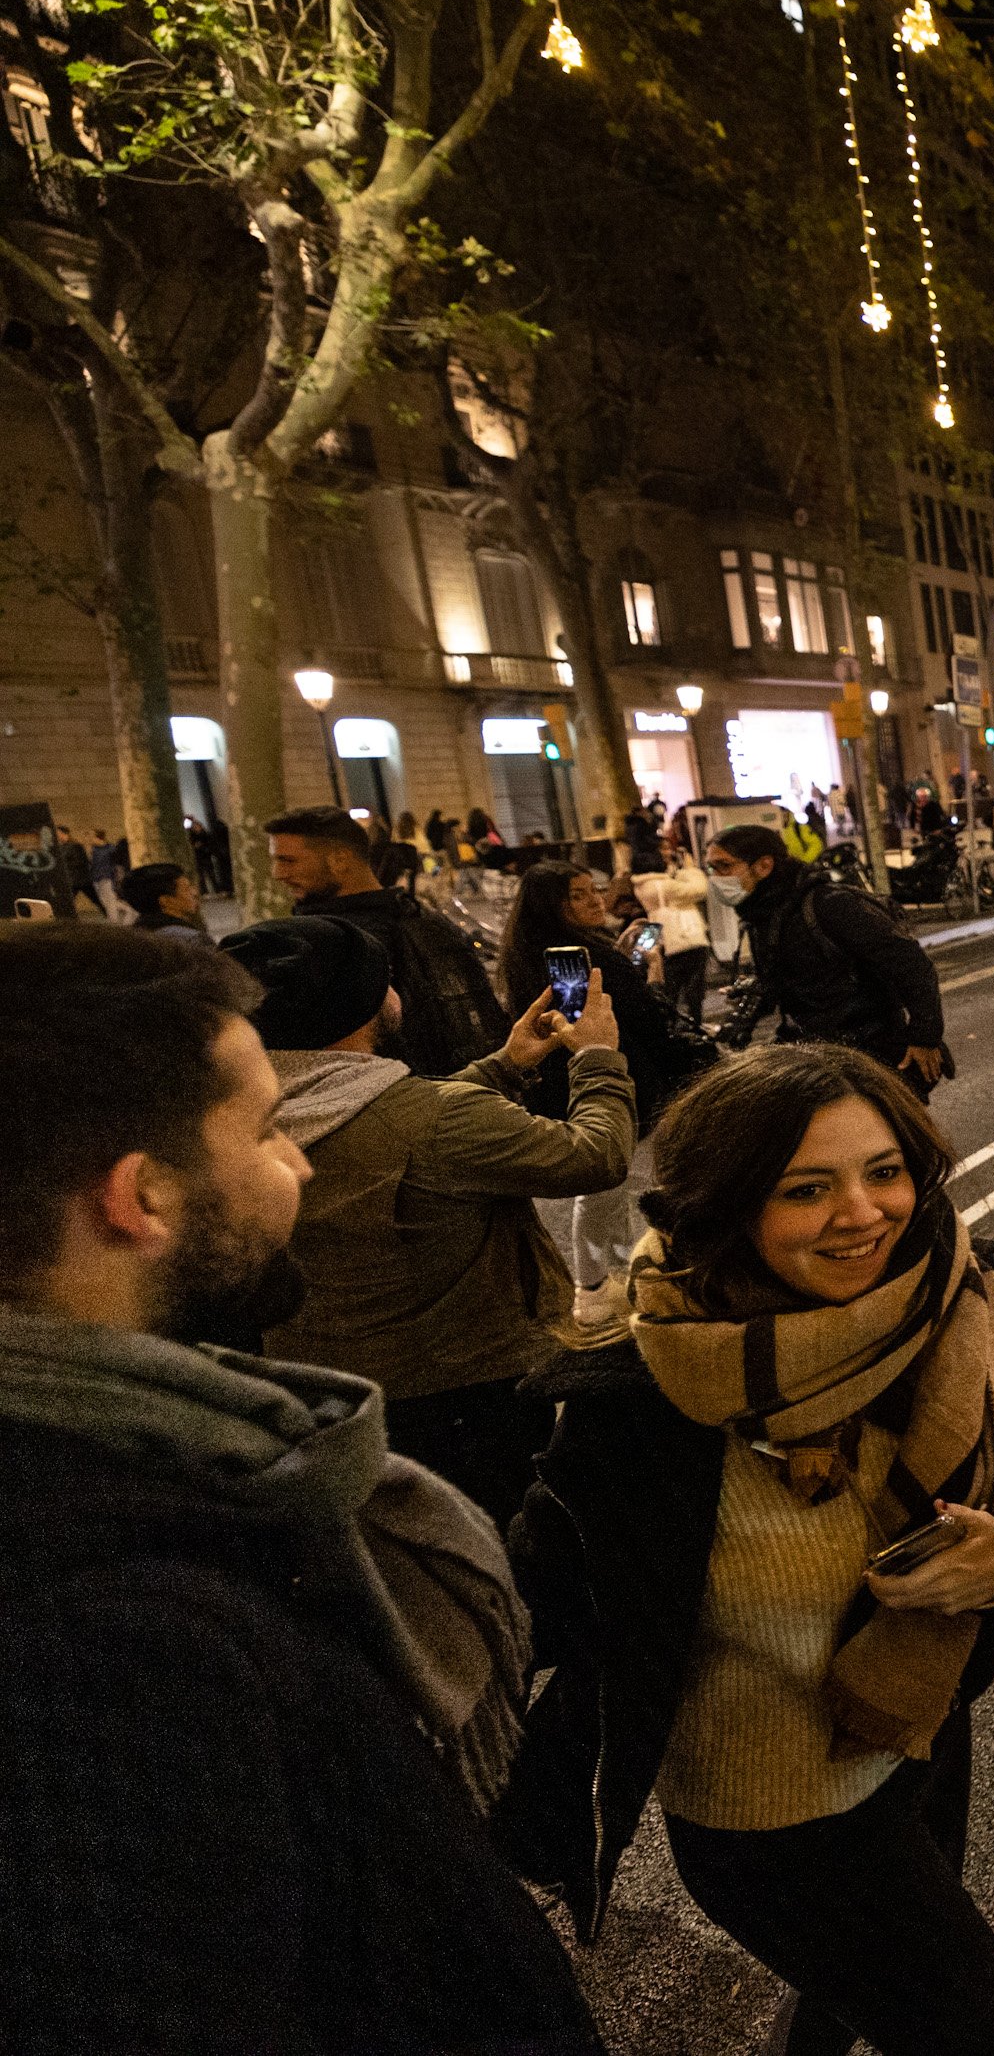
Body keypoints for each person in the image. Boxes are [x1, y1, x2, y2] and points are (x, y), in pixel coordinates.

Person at [0, 922, 602, 2055]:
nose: (305, 1162)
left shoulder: (164, 1461)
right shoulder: (115, 1636)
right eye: (271, 1128)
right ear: (142, 1199)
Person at [496, 1046, 994, 2056]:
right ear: (731, 1205)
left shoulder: (969, 1300)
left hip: (917, 1725)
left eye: (884, 1171)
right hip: (771, 1820)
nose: (864, 1213)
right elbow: (542, 1606)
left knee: (860, 1994)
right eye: (806, 1189)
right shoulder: (638, 1403)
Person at [223, 914, 633, 1521]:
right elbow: (596, 1156)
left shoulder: (239, 1112)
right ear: (359, 1006)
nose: (398, 994)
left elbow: (393, 1129)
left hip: (325, 1384)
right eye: (385, 982)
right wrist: (597, 1057)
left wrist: (504, 1066)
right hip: (464, 1389)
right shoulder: (438, 1119)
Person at [503, 860, 714, 1322]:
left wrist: (627, 962)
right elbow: (595, 1025)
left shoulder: (558, 952)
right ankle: (602, 1286)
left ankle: (602, 1283)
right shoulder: (566, 956)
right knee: (618, 1184)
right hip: (616, 1084)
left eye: (593, 889)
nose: (596, 899)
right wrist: (651, 982)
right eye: (579, 895)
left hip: (607, 1083)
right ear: (553, 906)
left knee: (616, 1184)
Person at [264, 805, 509, 1078]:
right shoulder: (418, 917)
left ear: (339, 860)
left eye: (288, 860)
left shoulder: (338, 942)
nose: (277, 873)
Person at [709, 823, 949, 1095]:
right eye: (712, 869)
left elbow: (911, 964)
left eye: (724, 866)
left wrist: (924, 1038)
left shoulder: (829, 904)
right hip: (818, 1055)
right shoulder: (762, 915)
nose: (715, 877)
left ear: (764, 866)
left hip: (871, 1054)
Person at [635, 842, 715, 1024]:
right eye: (663, 855)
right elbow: (698, 889)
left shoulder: (642, 885)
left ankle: (671, 1023)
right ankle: (694, 1023)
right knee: (693, 986)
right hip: (685, 937)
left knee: (671, 986)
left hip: (662, 936)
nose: (667, 857)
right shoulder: (662, 885)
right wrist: (689, 869)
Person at [118, 860, 210, 941]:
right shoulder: (192, 940)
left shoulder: (133, 940)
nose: (195, 892)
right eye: (187, 889)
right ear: (166, 901)